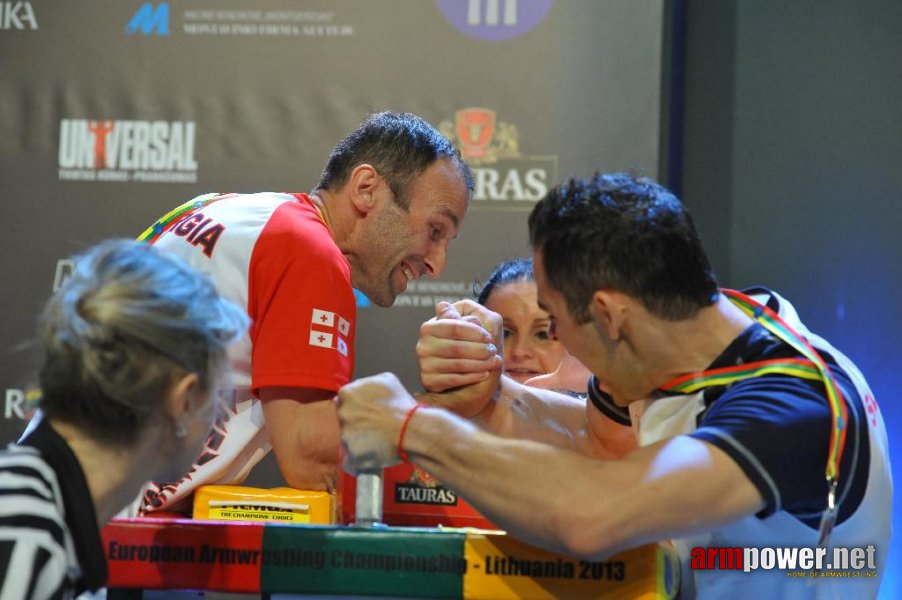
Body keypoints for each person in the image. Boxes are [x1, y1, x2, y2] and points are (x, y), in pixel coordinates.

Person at [337, 172, 892, 598]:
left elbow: (591, 516)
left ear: (610, 316)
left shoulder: (791, 407)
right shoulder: (698, 339)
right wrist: (488, 387)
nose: (558, 349)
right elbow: (596, 439)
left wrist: (416, 428)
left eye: (553, 324)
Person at [134, 111, 474, 514]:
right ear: (366, 189)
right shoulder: (308, 250)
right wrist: (454, 407)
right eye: (435, 231)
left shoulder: (218, 208)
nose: (438, 264)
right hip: (88, 526)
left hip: (59, 483)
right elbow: (311, 460)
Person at [0, 240, 246, 599]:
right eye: (220, 392)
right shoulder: (28, 543)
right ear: (184, 400)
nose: (219, 412)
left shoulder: (43, 516)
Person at [475, 257, 591, 394]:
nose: (519, 352)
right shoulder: (446, 412)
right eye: (504, 334)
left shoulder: (614, 412)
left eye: (542, 334)